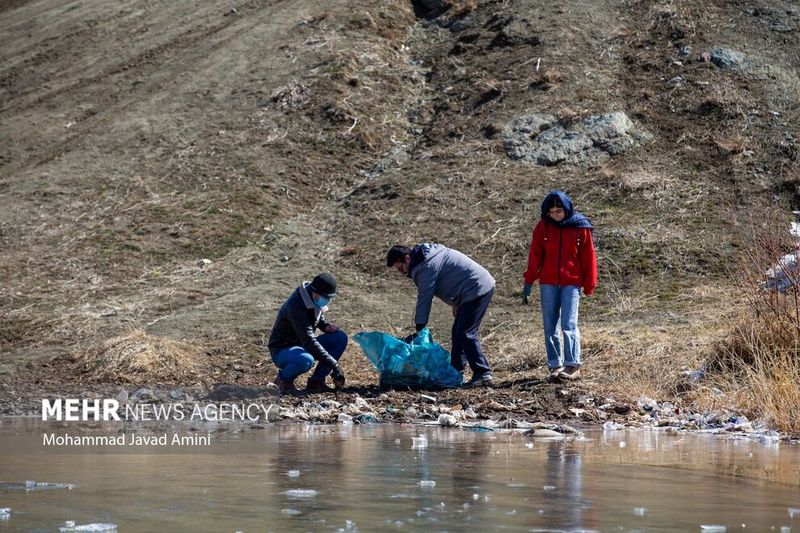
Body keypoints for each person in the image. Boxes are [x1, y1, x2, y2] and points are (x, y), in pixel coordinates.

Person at [386, 243, 496, 387]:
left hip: (477, 287)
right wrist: (457, 303)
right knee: (458, 332)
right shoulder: (427, 258)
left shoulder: (426, 266)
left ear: (407, 258)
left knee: (465, 332)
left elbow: (425, 297)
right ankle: (455, 373)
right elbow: (453, 275)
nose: (402, 272)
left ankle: (483, 373)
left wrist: (420, 327)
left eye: (400, 268)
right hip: (471, 288)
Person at [523, 190, 597, 382]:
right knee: (550, 325)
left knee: (568, 324)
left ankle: (572, 364)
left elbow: (588, 257)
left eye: (558, 211)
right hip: (548, 282)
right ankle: (555, 364)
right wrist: (529, 279)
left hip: (571, 283)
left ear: (566, 209)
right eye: (551, 212)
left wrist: (589, 283)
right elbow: (535, 255)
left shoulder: (581, 227)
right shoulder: (543, 227)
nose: (555, 215)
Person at [268, 272, 347, 394]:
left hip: (301, 346)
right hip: (283, 350)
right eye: (326, 298)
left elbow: (318, 315)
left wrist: (326, 326)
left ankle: (317, 381)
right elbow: (309, 340)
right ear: (315, 293)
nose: (327, 301)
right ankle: (282, 381)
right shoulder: (296, 305)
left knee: (339, 338)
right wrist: (334, 366)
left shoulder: (313, 297)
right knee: (306, 360)